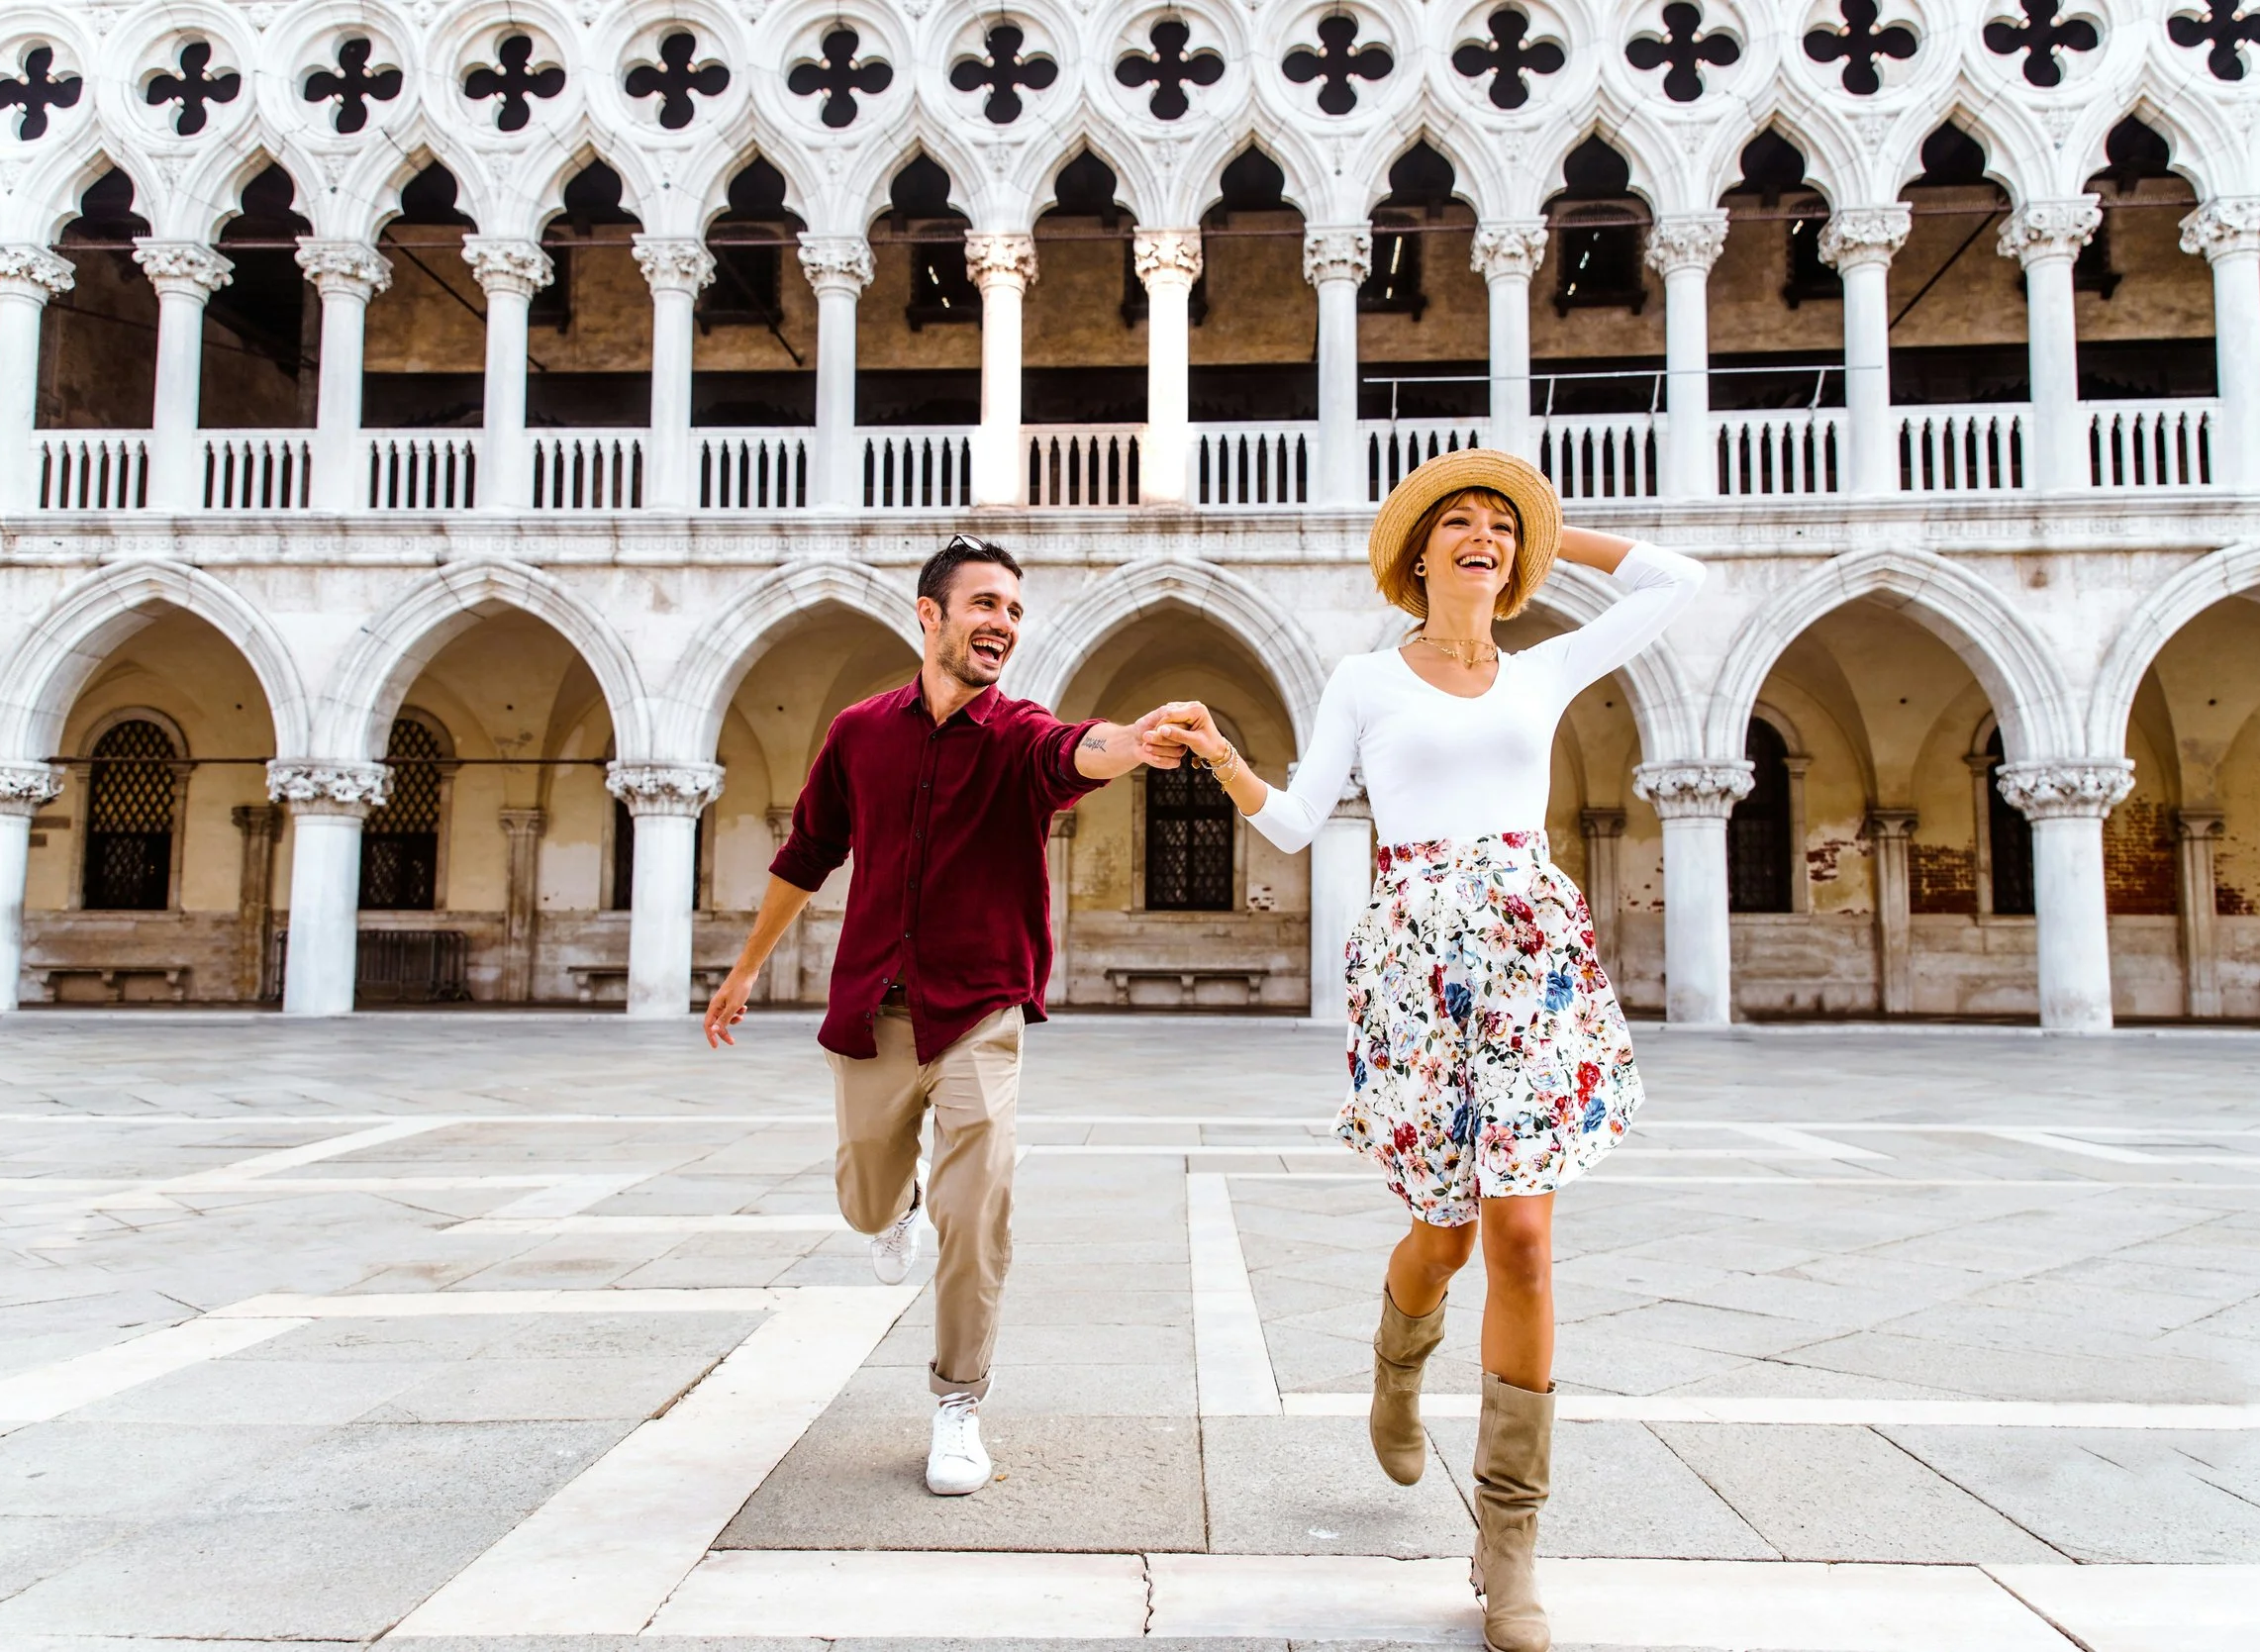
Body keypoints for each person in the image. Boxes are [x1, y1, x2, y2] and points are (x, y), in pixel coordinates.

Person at [1152, 449, 1703, 1652]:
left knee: (1520, 1232)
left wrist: (1563, 538)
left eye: (1501, 530)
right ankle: (1397, 1365)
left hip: (1526, 952)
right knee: (1444, 1233)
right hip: (1413, 960)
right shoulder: (1363, 680)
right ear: (1417, 557)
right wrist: (1222, 754)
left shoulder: (1545, 665)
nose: (1483, 537)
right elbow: (1299, 822)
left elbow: (1676, 579)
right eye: (1459, 522)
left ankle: (1508, 1540)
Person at [703, 534, 1199, 1497]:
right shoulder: (858, 734)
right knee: (863, 1196)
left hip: (978, 1010)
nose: (1002, 624)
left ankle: (957, 1400)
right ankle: (891, 1207)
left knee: (976, 1211)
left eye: (1013, 610)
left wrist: (1130, 744)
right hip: (870, 1012)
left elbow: (1075, 750)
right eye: (983, 604)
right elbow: (806, 854)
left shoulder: (1019, 734)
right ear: (928, 614)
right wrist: (745, 969)